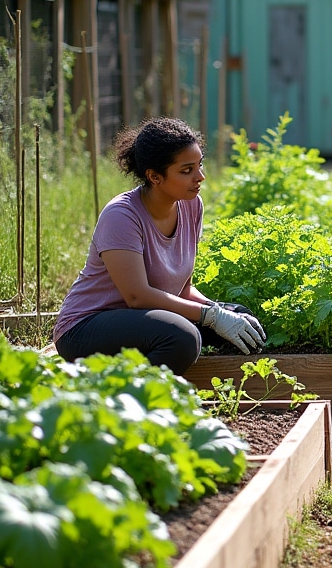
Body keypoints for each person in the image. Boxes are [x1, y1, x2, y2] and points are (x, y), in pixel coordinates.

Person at [53, 118, 266, 375]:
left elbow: (182, 289)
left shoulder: (191, 205)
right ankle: (121, 398)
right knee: (182, 338)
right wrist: (210, 317)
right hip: (87, 328)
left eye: (199, 165)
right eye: (186, 170)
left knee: (242, 319)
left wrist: (218, 312)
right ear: (154, 176)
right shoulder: (121, 215)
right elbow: (136, 296)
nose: (200, 177)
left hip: (147, 321)